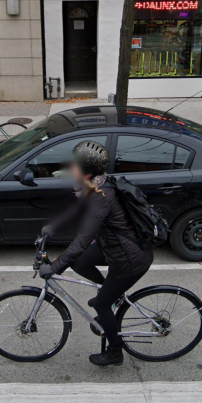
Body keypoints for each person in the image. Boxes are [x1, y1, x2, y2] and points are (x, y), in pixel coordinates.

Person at [37, 140, 154, 367]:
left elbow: (82, 240)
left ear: (86, 171)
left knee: (100, 305)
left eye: (75, 165)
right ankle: (111, 294)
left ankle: (114, 352)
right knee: (80, 263)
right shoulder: (97, 184)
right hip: (114, 248)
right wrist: (53, 227)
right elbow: (76, 211)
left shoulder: (101, 197)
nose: (71, 168)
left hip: (128, 260)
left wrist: (54, 267)